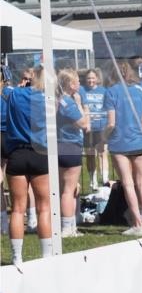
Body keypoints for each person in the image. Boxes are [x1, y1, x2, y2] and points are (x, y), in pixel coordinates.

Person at [2, 67, 53, 265]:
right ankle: (46, 256)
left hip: (17, 154)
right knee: (44, 208)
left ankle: (17, 257)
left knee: (17, 209)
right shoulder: (46, 99)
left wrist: (20, 86)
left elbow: (5, 89)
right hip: (40, 152)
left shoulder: (15, 94)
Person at [104, 60, 142, 236]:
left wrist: (102, 137)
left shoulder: (111, 92)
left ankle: (138, 224)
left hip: (119, 143)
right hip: (139, 141)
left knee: (128, 183)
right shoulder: (140, 91)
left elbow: (111, 123)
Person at [56, 69, 89, 238]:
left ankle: (69, 224)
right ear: (70, 84)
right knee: (68, 190)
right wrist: (83, 106)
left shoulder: (58, 100)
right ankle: (67, 228)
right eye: (77, 81)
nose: (80, 84)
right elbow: (84, 123)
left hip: (60, 146)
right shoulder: (68, 102)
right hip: (70, 146)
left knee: (67, 188)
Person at [79, 68, 108, 189]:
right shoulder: (82, 91)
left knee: (102, 153)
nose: (91, 80)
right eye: (88, 78)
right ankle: (93, 181)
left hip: (101, 126)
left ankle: (105, 179)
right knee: (90, 154)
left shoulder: (104, 91)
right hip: (88, 128)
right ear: (85, 80)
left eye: (93, 78)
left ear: (97, 79)